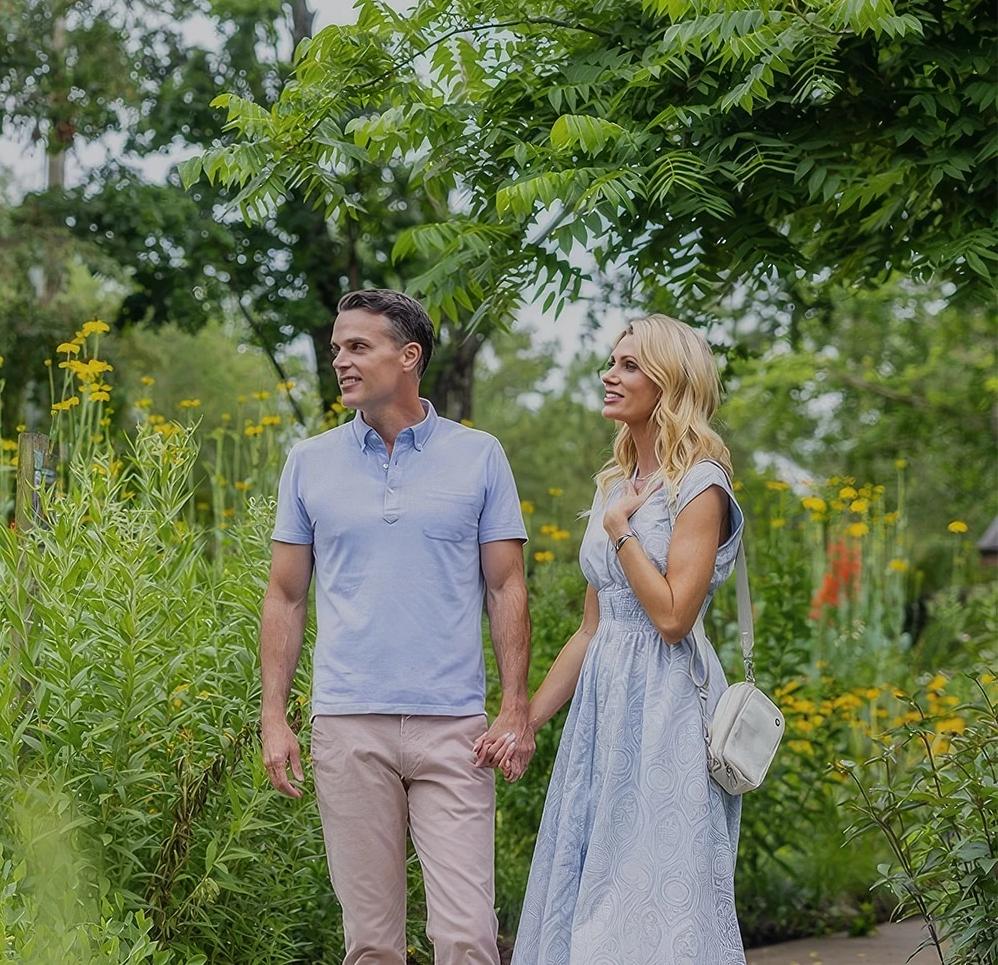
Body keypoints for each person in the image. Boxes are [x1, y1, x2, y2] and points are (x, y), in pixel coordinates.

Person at [260, 288, 535, 965]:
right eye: (336, 349)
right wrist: (273, 717)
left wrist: (516, 707)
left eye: (359, 347)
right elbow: (285, 596)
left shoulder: (479, 456)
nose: (341, 362)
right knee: (373, 945)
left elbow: (506, 586)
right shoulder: (309, 463)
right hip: (349, 724)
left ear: (409, 356)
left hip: (456, 730)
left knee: (468, 938)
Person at [486, 313, 746, 964]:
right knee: (593, 879)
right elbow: (590, 630)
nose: (610, 374)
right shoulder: (614, 484)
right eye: (612, 361)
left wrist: (621, 532)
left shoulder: (701, 485)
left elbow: (672, 618)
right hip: (606, 706)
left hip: (667, 707)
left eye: (629, 365)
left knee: (655, 883)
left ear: (669, 381)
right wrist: (524, 721)